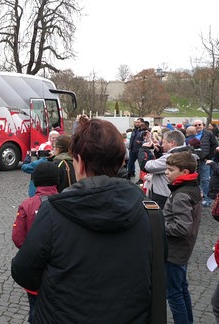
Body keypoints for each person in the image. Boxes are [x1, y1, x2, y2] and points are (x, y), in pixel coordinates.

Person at [11, 117, 157, 323]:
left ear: (79, 162)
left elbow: (23, 271)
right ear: (120, 160)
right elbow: (156, 270)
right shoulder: (150, 211)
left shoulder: (53, 212)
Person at [12, 161, 59, 322]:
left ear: (35, 181)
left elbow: (18, 239)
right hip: (61, 269)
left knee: (35, 309)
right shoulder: (67, 202)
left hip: (36, 271)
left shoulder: (27, 205)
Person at [163, 151, 202, 324]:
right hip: (183, 250)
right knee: (182, 289)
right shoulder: (192, 187)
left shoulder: (181, 194)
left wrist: (158, 227)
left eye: (170, 170)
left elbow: (181, 227)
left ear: (184, 172)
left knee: (174, 294)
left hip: (174, 251)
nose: (166, 173)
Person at [143, 130, 189, 208]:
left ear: (172, 143)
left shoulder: (172, 157)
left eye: (164, 142)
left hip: (163, 194)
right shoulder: (186, 152)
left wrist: (144, 149)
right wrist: (158, 152)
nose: (162, 145)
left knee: (157, 216)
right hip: (175, 192)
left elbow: (147, 167)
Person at [192, 119, 218, 206]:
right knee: (196, 179)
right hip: (194, 160)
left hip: (205, 160)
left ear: (203, 125)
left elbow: (214, 145)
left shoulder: (208, 134)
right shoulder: (192, 134)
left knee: (205, 179)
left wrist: (209, 157)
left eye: (199, 124)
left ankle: (207, 199)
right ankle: (199, 197)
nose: (197, 126)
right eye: (195, 125)